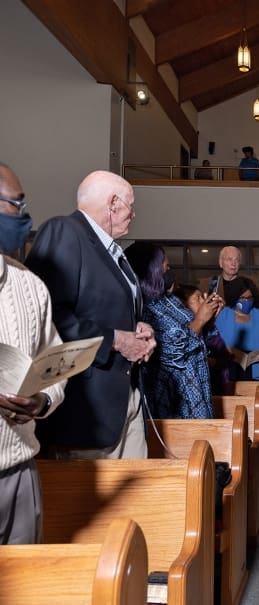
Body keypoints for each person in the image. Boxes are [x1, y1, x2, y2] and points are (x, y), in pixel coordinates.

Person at [26, 170, 156, 458]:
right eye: (130, 206)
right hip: (87, 405)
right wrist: (117, 340)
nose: (133, 215)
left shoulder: (111, 251)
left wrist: (138, 328)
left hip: (125, 395)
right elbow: (47, 317)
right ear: (113, 203)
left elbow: (107, 310)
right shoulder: (65, 232)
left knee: (139, 500)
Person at [0, 162, 65, 544]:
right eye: (16, 205)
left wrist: (41, 400)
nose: (24, 216)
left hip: (19, 467)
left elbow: (55, 364)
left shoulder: (31, 287)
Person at [126, 242, 223, 419]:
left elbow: (194, 335)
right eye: (165, 267)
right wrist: (200, 319)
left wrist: (209, 318)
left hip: (196, 388)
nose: (169, 272)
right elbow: (172, 352)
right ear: (152, 270)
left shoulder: (168, 300)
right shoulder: (144, 308)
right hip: (174, 398)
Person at [174, 283, 234, 397]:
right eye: (198, 298)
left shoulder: (209, 329)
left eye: (203, 296)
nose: (203, 302)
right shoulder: (178, 330)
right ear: (184, 305)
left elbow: (224, 358)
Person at [215, 278, 259, 381]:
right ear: (234, 298)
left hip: (256, 373)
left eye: (250, 298)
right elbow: (214, 343)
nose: (247, 301)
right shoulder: (222, 315)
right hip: (228, 372)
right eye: (242, 298)